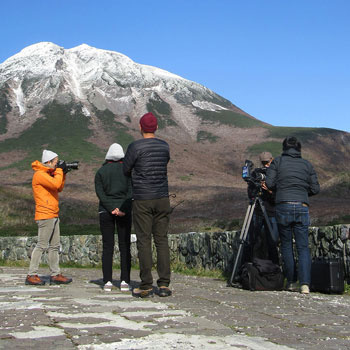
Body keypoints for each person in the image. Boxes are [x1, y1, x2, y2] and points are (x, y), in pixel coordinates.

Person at [123, 112, 172, 298]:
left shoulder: (135, 147)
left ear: (141, 127)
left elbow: (126, 169)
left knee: (144, 240)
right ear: (156, 128)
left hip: (143, 197)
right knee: (162, 240)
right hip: (162, 197)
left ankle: (146, 285)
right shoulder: (164, 146)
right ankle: (164, 284)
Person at [265, 137, 320, 294]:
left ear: (284, 148)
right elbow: (315, 189)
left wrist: (281, 190)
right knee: (303, 247)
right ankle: (305, 285)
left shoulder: (278, 162)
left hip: (283, 206)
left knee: (287, 245)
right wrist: (302, 193)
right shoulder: (307, 164)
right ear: (299, 148)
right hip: (302, 206)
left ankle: (291, 282)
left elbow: (269, 184)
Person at [26, 150, 72, 285]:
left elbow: (59, 187)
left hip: (53, 213)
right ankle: (31, 274)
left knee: (54, 246)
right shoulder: (39, 175)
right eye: (56, 163)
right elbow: (55, 184)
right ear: (49, 162)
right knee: (41, 245)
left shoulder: (48, 175)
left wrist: (63, 174)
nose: (57, 165)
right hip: (45, 214)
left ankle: (55, 274)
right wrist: (59, 172)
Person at [95, 143, 132, 292]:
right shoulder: (128, 172)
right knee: (124, 246)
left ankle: (107, 281)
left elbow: (100, 193)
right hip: (125, 212)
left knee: (107, 246)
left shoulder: (101, 172)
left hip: (105, 212)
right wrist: (122, 209)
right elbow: (131, 191)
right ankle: (124, 281)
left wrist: (111, 208)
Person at [245, 152, 279, 265]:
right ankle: (247, 269)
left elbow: (279, 196)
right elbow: (251, 193)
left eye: (267, 162)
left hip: (271, 211)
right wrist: (256, 186)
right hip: (258, 210)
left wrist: (270, 191)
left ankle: (275, 270)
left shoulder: (277, 173)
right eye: (264, 163)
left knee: (272, 242)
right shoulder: (256, 173)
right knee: (251, 241)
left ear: (272, 160)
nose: (266, 165)